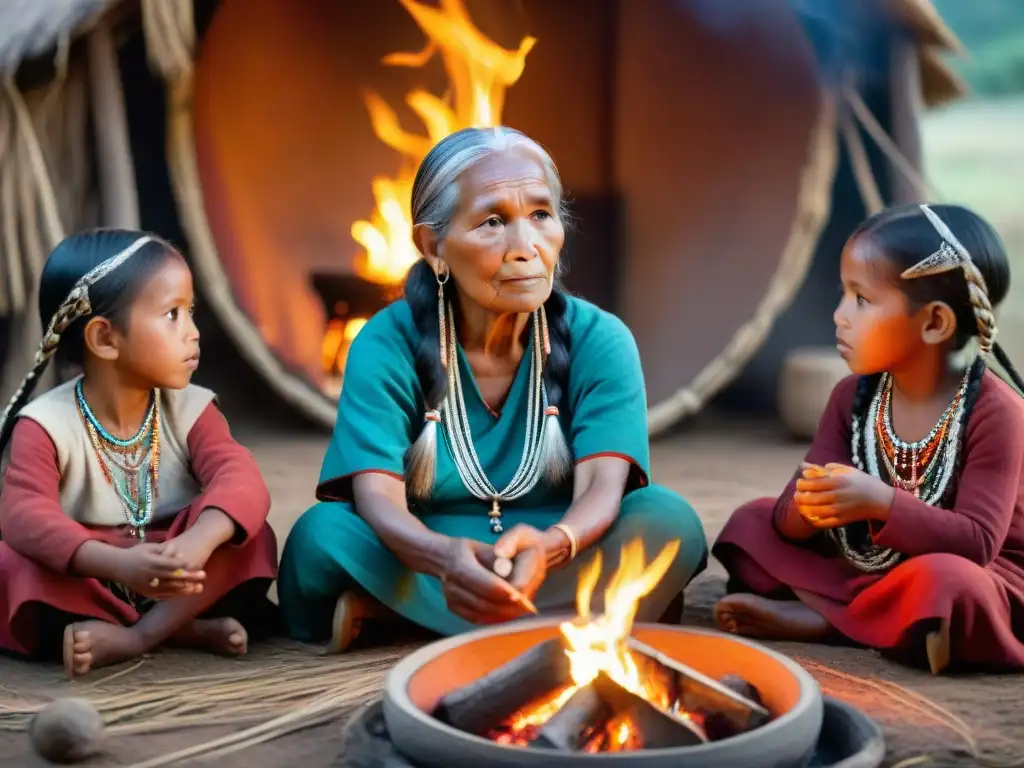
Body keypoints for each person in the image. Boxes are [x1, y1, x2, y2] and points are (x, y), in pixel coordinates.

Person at [278, 126, 708, 650]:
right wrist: (442, 558)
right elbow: (378, 499)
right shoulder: (384, 342)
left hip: (557, 546)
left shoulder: (602, 339)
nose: (525, 248)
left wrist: (552, 547)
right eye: (493, 222)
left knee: (668, 520)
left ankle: (396, 618)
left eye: (541, 216)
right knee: (321, 535)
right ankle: (592, 610)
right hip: (423, 550)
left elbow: (602, 487)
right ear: (433, 247)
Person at [712, 203, 1024, 674]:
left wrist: (881, 503)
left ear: (935, 323)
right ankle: (879, 619)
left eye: (861, 299)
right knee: (748, 526)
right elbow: (784, 523)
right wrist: (811, 503)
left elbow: (978, 543)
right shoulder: (852, 395)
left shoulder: (994, 412)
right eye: (844, 295)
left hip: (979, 567)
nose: (839, 315)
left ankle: (827, 618)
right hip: (868, 559)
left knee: (948, 584)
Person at [0, 230, 278, 678]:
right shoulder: (45, 424)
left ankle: (137, 636)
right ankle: (184, 629)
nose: (193, 333)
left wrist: (198, 541)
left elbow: (239, 478)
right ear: (105, 338)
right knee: (12, 563)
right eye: (172, 314)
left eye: (191, 312)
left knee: (252, 535)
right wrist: (116, 563)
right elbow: (24, 515)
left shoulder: (191, 408)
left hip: (179, 564)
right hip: (97, 569)